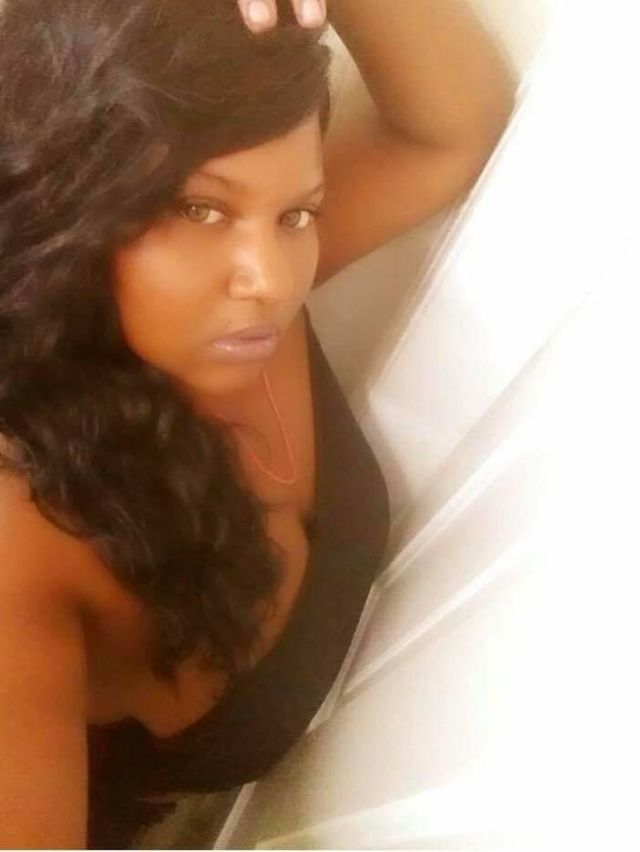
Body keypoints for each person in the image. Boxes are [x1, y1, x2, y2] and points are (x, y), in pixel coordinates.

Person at [0, 0, 515, 847]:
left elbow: (451, 129)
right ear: (64, 201)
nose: (272, 281)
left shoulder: (223, 311)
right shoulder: (25, 526)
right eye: (200, 209)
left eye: (297, 212)